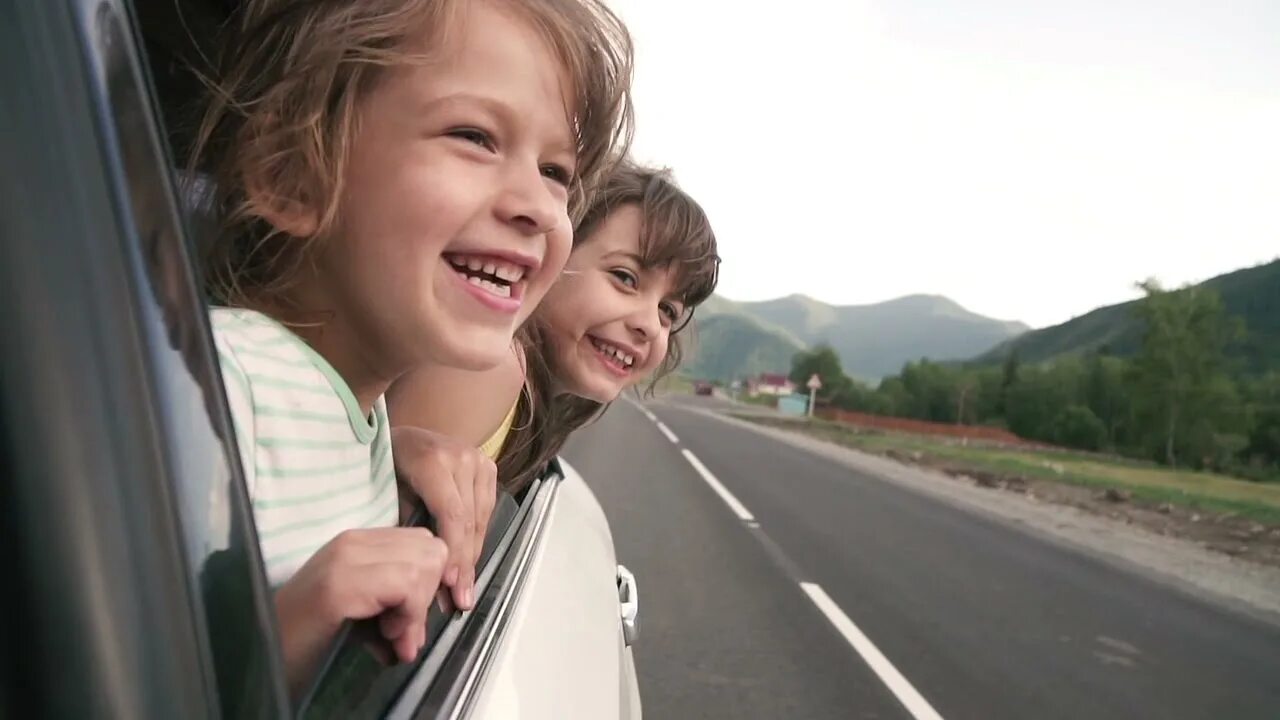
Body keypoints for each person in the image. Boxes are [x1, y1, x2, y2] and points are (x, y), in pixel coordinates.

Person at [194, 0, 633, 696]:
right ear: (292, 173)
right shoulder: (218, 393)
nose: (540, 207)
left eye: (556, 172)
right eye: (475, 136)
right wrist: (299, 628)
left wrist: (395, 453)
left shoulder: (354, 417)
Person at [390, 162, 720, 491]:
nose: (648, 325)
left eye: (668, 310)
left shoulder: (541, 404)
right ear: (548, 253)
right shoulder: (493, 368)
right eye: (625, 278)